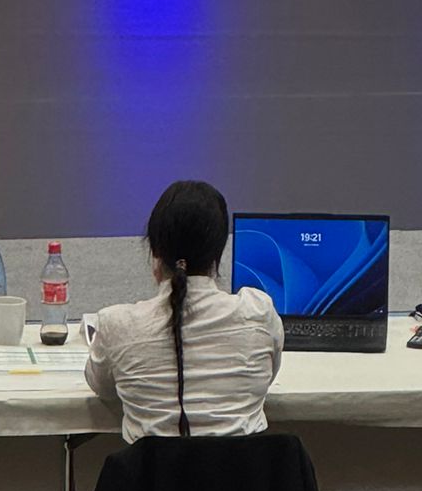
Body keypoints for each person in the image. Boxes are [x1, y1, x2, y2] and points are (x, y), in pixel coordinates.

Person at [86, 180, 284, 441]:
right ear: (217, 254)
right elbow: (265, 378)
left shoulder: (116, 325)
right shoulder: (258, 312)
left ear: (155, 251)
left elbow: (103, 389)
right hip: (246, 468)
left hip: (151, 469)